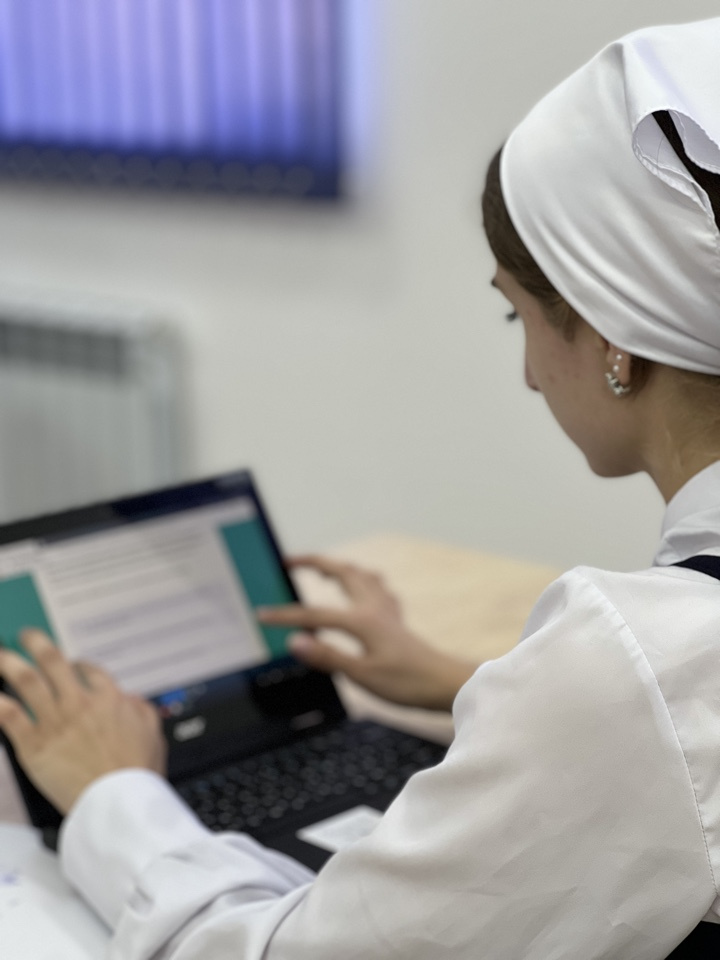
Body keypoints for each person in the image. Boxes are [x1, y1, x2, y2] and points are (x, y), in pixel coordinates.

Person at [2, 17, 720, 959]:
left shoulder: (642, 661)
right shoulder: (649, 675)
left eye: (517, 317)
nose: (529, 376)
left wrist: (110, 794)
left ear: (611, 332)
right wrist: (473, 686)